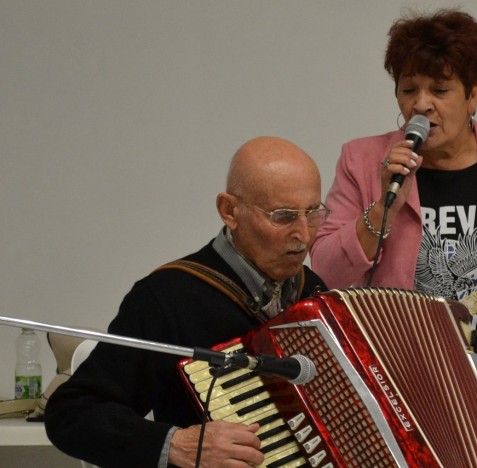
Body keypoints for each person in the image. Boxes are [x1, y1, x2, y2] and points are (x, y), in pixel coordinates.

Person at [310, 8, 477, 450]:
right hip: (393, 389)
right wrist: (384, 208)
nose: (421, 104)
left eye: (440, 89)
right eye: (409, 89)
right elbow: (326, 273)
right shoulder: (361, 160)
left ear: (473, 96)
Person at [45, 136, 330, 467]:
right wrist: (176, 444)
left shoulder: (313, 292)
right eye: (283, 216)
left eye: (312, 213)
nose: (305, 235)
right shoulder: (167, 298)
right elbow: (71, 411)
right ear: (230, 211)